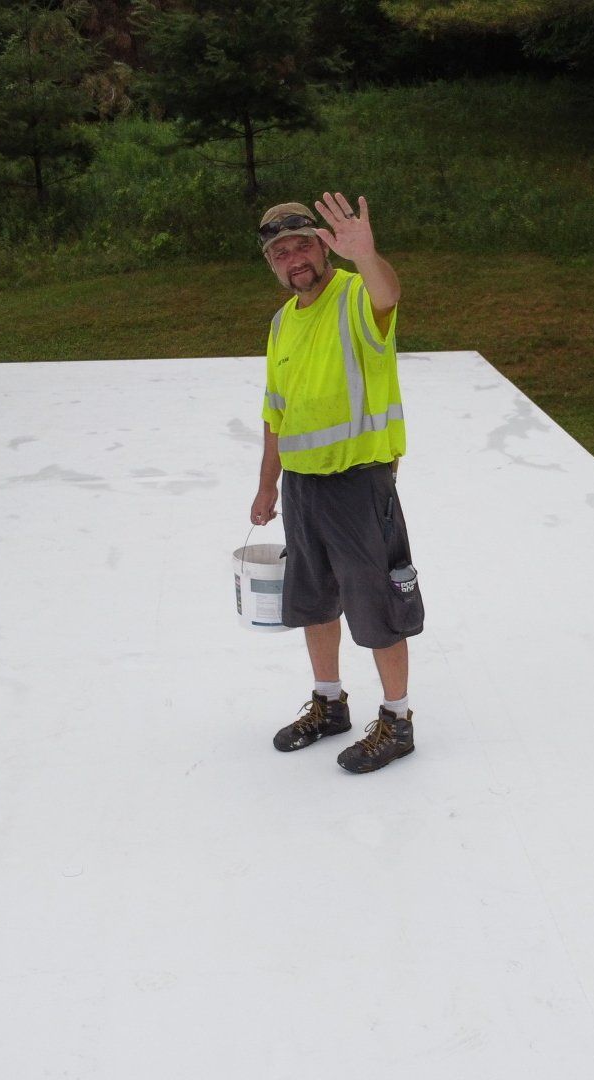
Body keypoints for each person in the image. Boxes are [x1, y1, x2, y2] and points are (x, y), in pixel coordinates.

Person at [249, 193, 423, 774]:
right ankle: (329, 704)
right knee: (314, 601)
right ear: (271, 264)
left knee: (374, 602)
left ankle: (397, 721)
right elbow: (276, 410)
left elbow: (388, 295)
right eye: (280, 253)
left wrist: (367, 255)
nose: (293, 259)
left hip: (359, 483)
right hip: (302, 488)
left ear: (324, 246)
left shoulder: (353, 294)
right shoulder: (280, 324)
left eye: (302, 245)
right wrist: (268, 486)